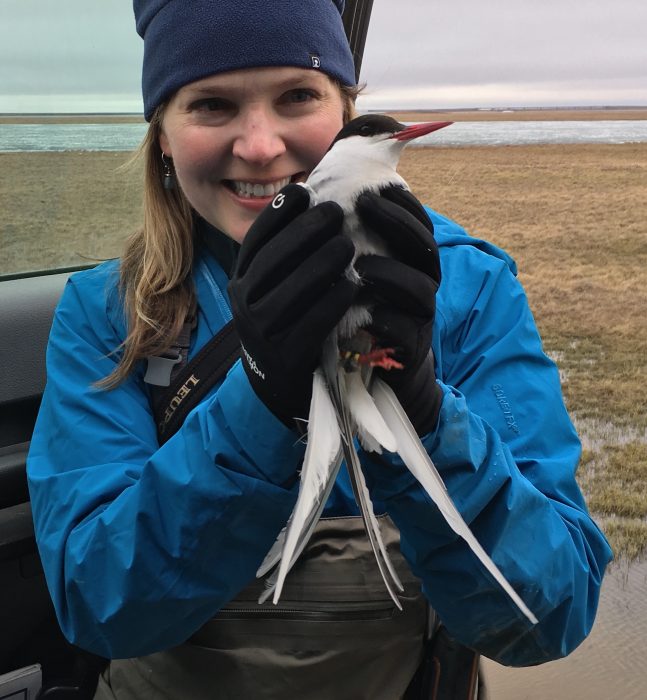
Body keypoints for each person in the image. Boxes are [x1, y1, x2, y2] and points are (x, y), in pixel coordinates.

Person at [27, 1, 612, 698]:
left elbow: (550, 616)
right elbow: (96, 607)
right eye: (211, 105)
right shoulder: (108, 313)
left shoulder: (464, 289)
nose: (260, 146)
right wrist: (259, 406)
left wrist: (424, 409)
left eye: (296, 96)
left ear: (345, 110)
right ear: (162, 136)